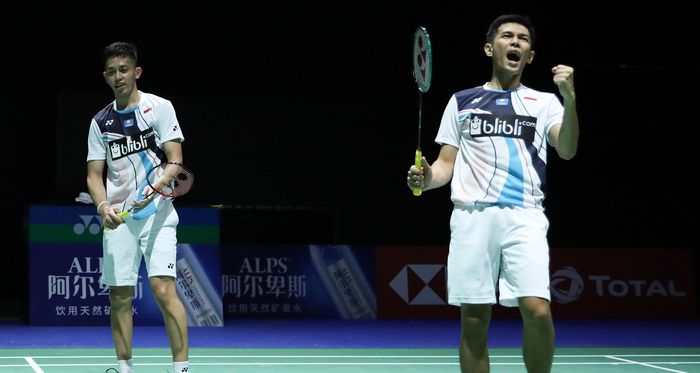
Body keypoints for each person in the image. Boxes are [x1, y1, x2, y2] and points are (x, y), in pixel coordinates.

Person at [406, 14, 579, 373]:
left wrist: (570, 99)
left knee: (537, 309)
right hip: (472, 215)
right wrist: (425, 178)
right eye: (507, 36)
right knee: (473, 319)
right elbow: (444, 165)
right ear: (490, 48)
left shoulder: (544, 103)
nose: (515, 42)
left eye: (523, 39)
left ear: (530, 56)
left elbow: (567, 149)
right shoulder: (462, 101)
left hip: (525, 215)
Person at [86, 42, 190, 373]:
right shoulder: (100, 123)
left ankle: (181, 368)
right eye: (112, 72)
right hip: (120, 218)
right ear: (105, 76)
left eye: (124, 70)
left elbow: (176, 162)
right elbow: (93, 175)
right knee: (119, 296)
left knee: (162, 288)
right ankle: (124, 367)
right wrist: (103, 207)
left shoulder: (159, 108)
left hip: (157, 214)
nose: (119, 76)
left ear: (136, 72)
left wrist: (155, 188)